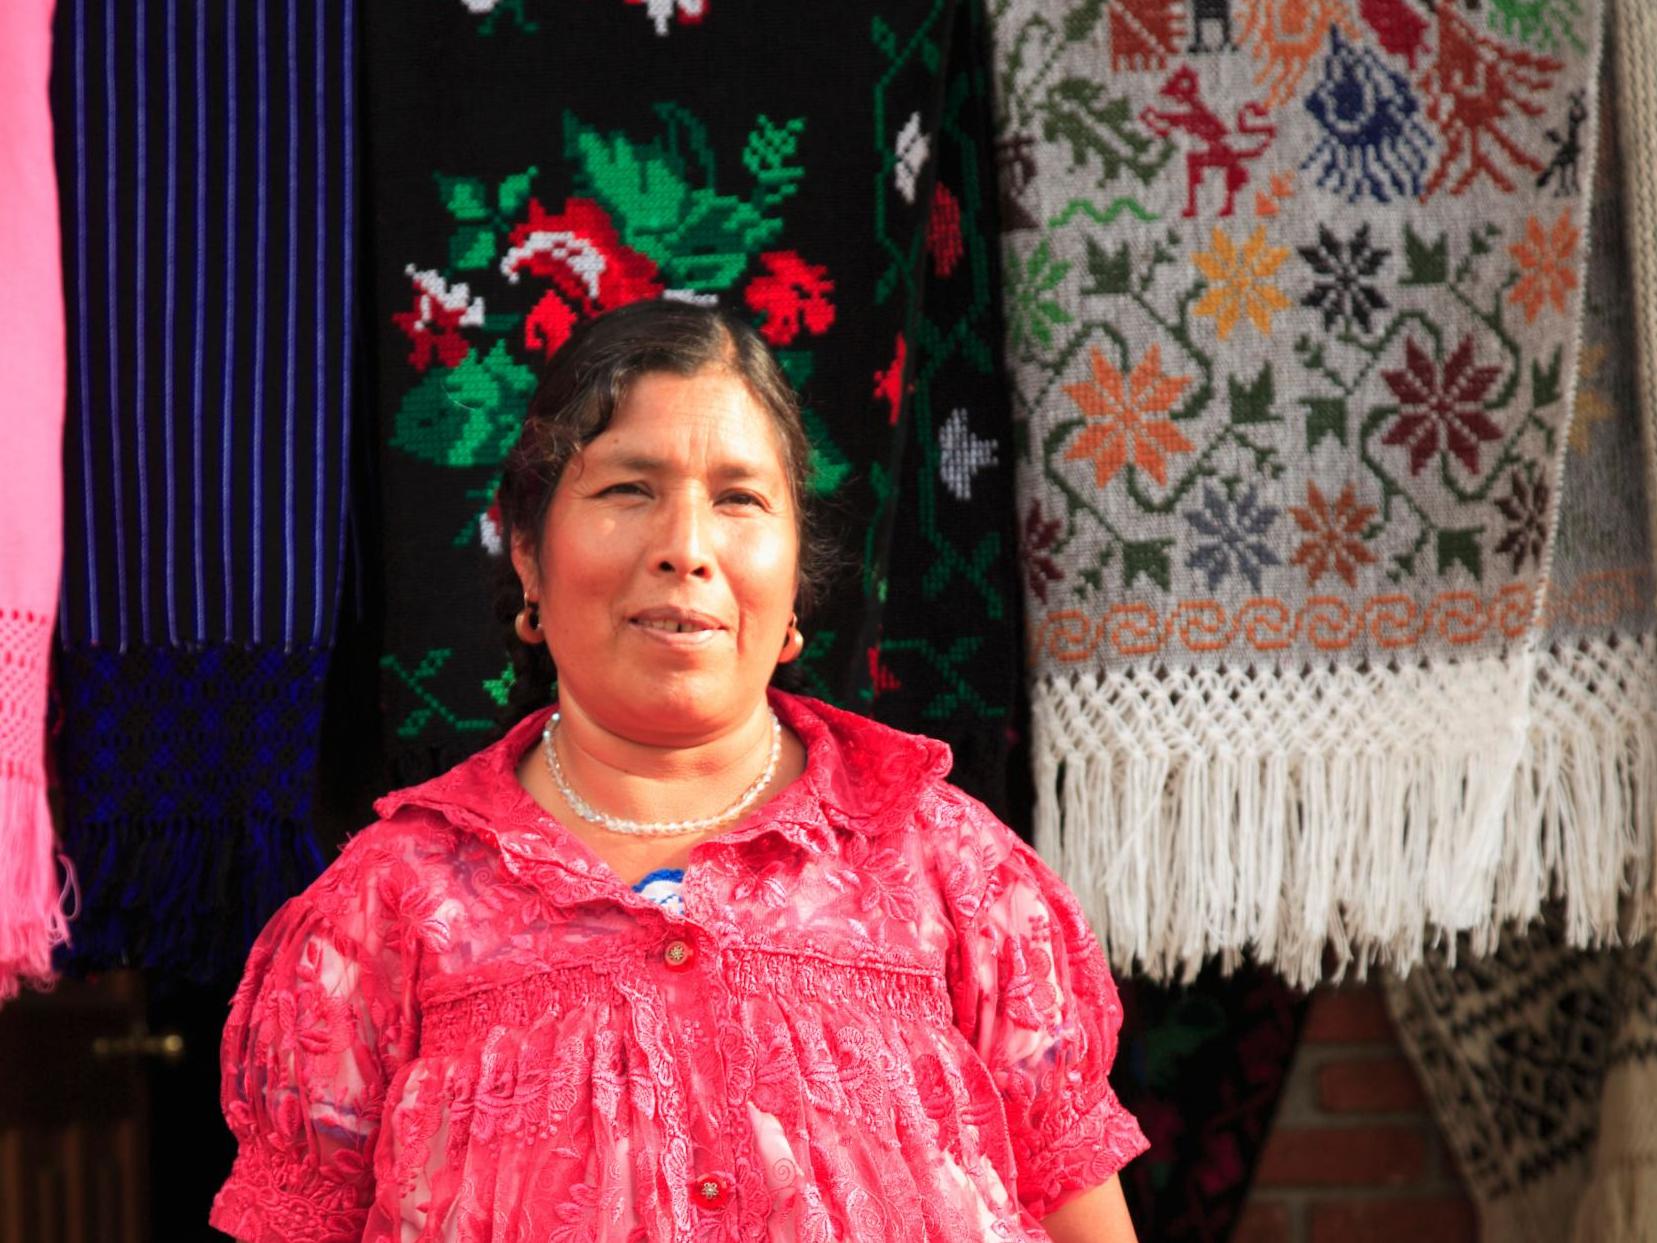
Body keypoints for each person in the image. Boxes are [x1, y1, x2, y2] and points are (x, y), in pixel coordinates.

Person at [210, 300, 1148, 1242]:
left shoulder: (954, 874)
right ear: (528, 555)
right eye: (627, 490)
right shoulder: (385, 909)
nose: (685, 548)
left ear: (794, 587)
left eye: (739, 499)